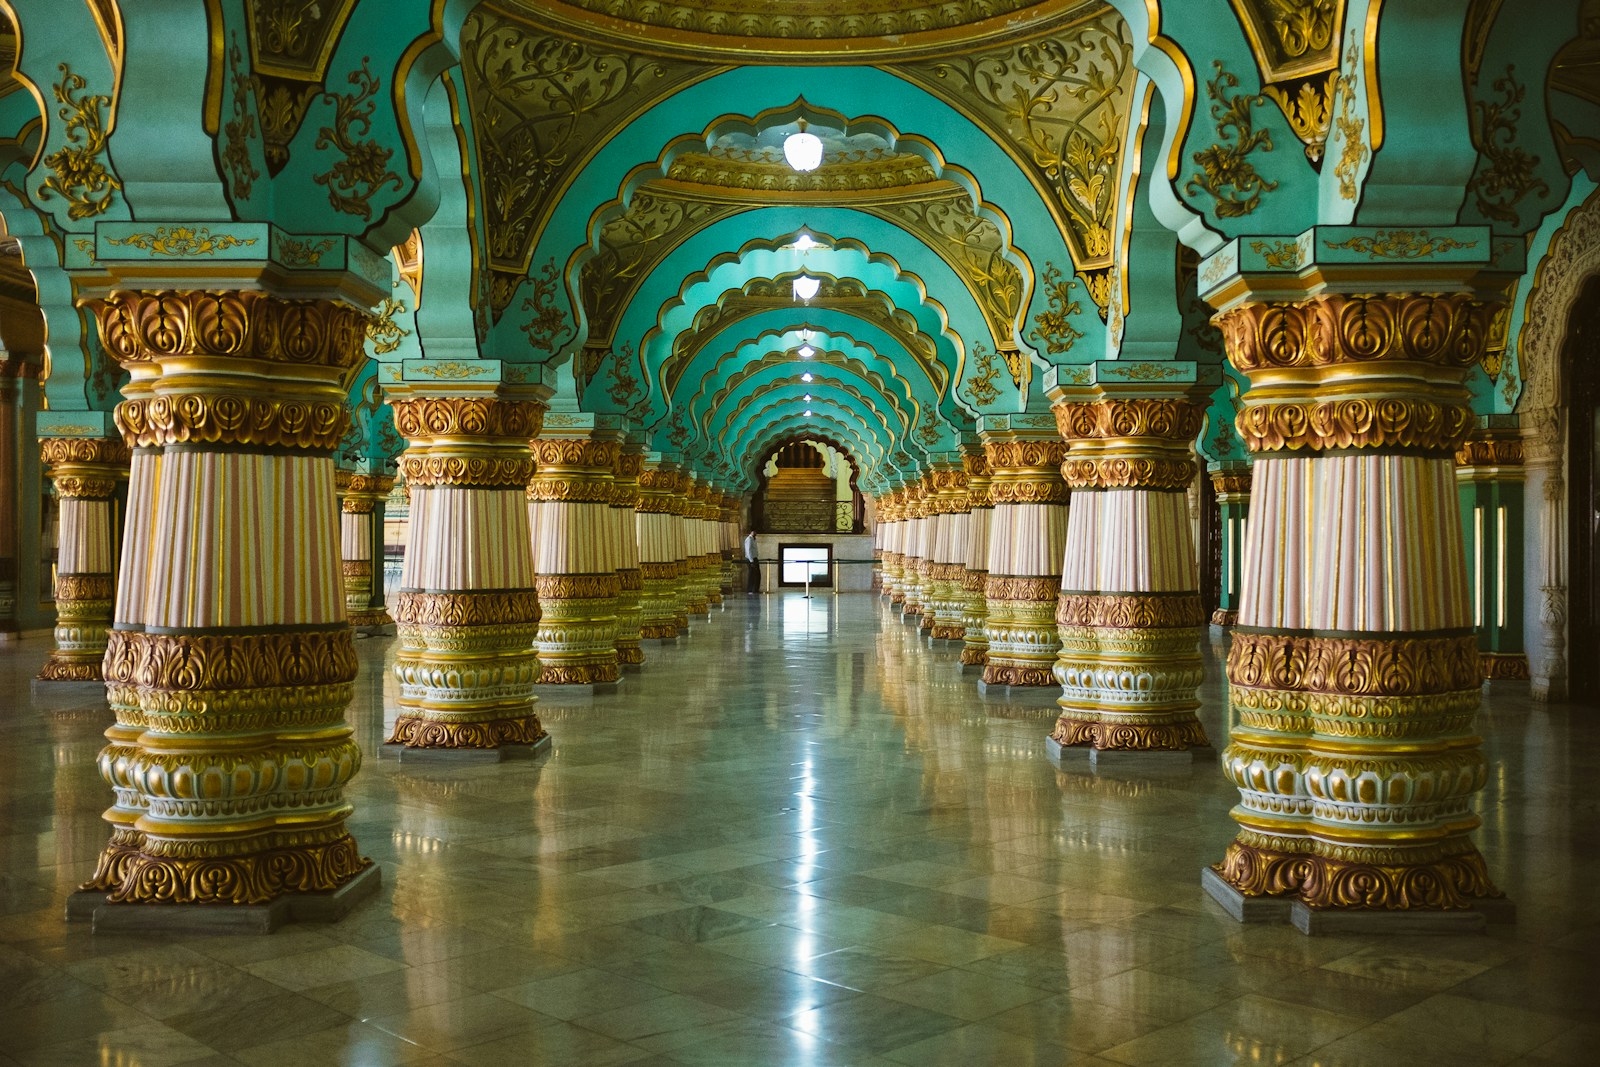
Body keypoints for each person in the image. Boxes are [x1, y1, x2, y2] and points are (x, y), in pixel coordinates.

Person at [743, 529, 759, 594]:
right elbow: (748, 551)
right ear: (751, 532)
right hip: (751, 559)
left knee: (756, 574)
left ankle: (755, 589)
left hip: (755, 558)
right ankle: (750, 590)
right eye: (754, 532)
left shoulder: (753, 539)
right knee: (752, 574)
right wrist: (751, 561)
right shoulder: (749, 539)